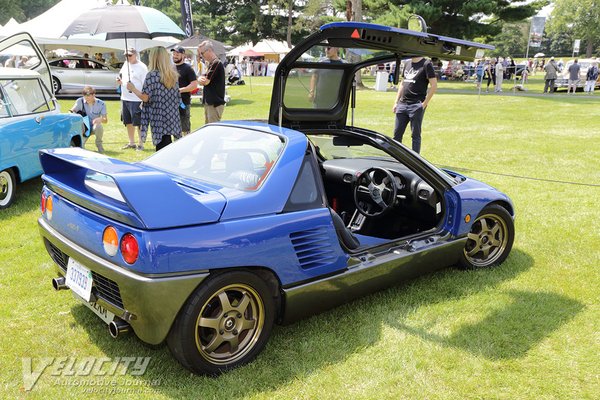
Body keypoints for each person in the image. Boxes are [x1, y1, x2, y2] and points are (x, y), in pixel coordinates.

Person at [127, 47, 182, 151]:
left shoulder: (152, 76)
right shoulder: (173, 75)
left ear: (153, 58)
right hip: (172, 115)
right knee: (168, 143)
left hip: (158, 116)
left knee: (162, 148)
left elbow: (145, 98)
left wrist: (133, 88)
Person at [392, 56, 437, 154]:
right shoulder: (407, 63)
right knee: (396, 135)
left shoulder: (426, 64)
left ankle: (416, 161)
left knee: (415, 136)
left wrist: (424, 104)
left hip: (416, 105)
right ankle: (395, 157)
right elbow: (402, 83)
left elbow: (434, 85)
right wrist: (396, 102)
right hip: (402, 104)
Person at [117, 47, 148, 150]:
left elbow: (146, 84)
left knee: (138, 122)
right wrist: (119, 80)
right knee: (128, 121)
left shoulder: (142, 67)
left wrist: (143, 99)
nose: (127, 57)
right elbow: (121, 76)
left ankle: (141, 144)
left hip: (137, 99)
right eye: (126, 55)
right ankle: (131, 142)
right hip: (125, 97)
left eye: (130, 55)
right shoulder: (125, 64)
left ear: (135, 55)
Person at [69, 86, 107, 153]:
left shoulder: (101, 104)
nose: (86, 98)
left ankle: (99, 145)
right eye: (85, 96)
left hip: (94, 127)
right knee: (80, 149)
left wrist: (100, 119)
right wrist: (75, 115)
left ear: (93, 95)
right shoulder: (79, 101)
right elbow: (71, 111)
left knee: (99, 126)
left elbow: (105, 120)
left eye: (88, 96)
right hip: (84, 128)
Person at [171, 46, 198, 136]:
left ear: (183, 55)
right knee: (173, 127)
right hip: (171, 103)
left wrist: (181, 90)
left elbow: (194, 85)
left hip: (184, 102)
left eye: (177, 54)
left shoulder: (188, 68)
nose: (175, 56)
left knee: (185, 128)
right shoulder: (170, 68)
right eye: (174, 54)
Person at [197, 40, 226, 124]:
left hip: (214, 103)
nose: (201, 56)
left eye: (202, 53)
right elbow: (203, 78)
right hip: (210, 102)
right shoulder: (211, 64)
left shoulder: (216, 63)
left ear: (209, 50)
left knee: (213, 131)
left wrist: (200, 79)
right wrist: (200, 79)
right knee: (208, 129)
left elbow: (205, 81)